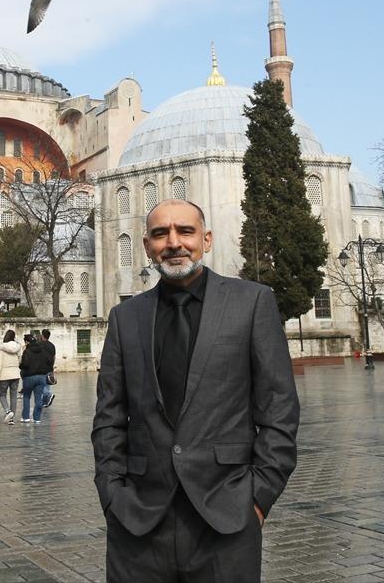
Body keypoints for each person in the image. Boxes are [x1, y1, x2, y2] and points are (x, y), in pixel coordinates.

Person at [92, 199, 299, 583]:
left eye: (185, 231)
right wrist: (112, 493)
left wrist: (258, 497)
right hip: (138, 522)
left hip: (226, 517)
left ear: (206, 239)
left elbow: (279, 407)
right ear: (146, 245)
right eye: (160, 233)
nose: (174, 242)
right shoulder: (126, 317)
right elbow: (109, 415)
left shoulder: (251, 302)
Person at [18, 333, 47, 424]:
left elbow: (25, 364)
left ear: (27, 342)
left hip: (29, 376)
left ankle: (26, 417)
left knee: (26, 396)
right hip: (41, 376)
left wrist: (21, 366)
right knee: (38, 398)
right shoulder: (42, 350)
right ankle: (37, 418)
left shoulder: (27, 351)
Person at [0, 330, 21, 424]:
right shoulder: (17, 347)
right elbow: (20, 359)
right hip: (15, 374)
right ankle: (11, 419)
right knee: (13, 396)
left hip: (5, 375)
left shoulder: (2, 348)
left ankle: (8, 411)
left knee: (2, 394)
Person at [39, 328, 57, 409]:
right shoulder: (52, 345)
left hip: (41, 368)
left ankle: (49, 395)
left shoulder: (40, 345)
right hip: (50, 367)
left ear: (42, 336)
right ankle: (44, 402)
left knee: (40, 385)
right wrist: (52, 367)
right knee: (47, 385)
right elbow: (54, 357)